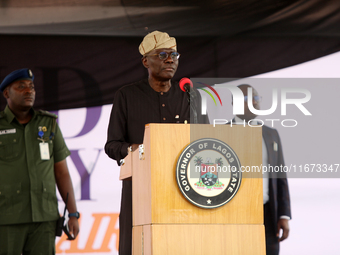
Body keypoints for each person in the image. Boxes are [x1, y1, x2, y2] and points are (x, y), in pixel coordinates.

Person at [104, 30, 203, 255]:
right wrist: (134, 150)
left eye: (174, 55)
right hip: (140, 189)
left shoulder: (189, 96)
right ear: (145, 61)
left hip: (183, 189)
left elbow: (203, 143)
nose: (170, 59)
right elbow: (112, 145)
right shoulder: (127, 95)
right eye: (162, 54)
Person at [0, 68, 79, 254]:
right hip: (6, 218)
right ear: (6, 93)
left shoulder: (49, 124)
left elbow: (62, 173)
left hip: (44, 218)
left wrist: (73, 214)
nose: (29, 91)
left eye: (32, 87)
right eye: (21, 87)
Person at [233, 84, 291, 255]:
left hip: (268, 212)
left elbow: (281, 176)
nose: (253, 102)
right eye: (246, 99)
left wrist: (284, 215)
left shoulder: (271, 134)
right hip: (234, 213)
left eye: (256, 98)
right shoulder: (220, 132)